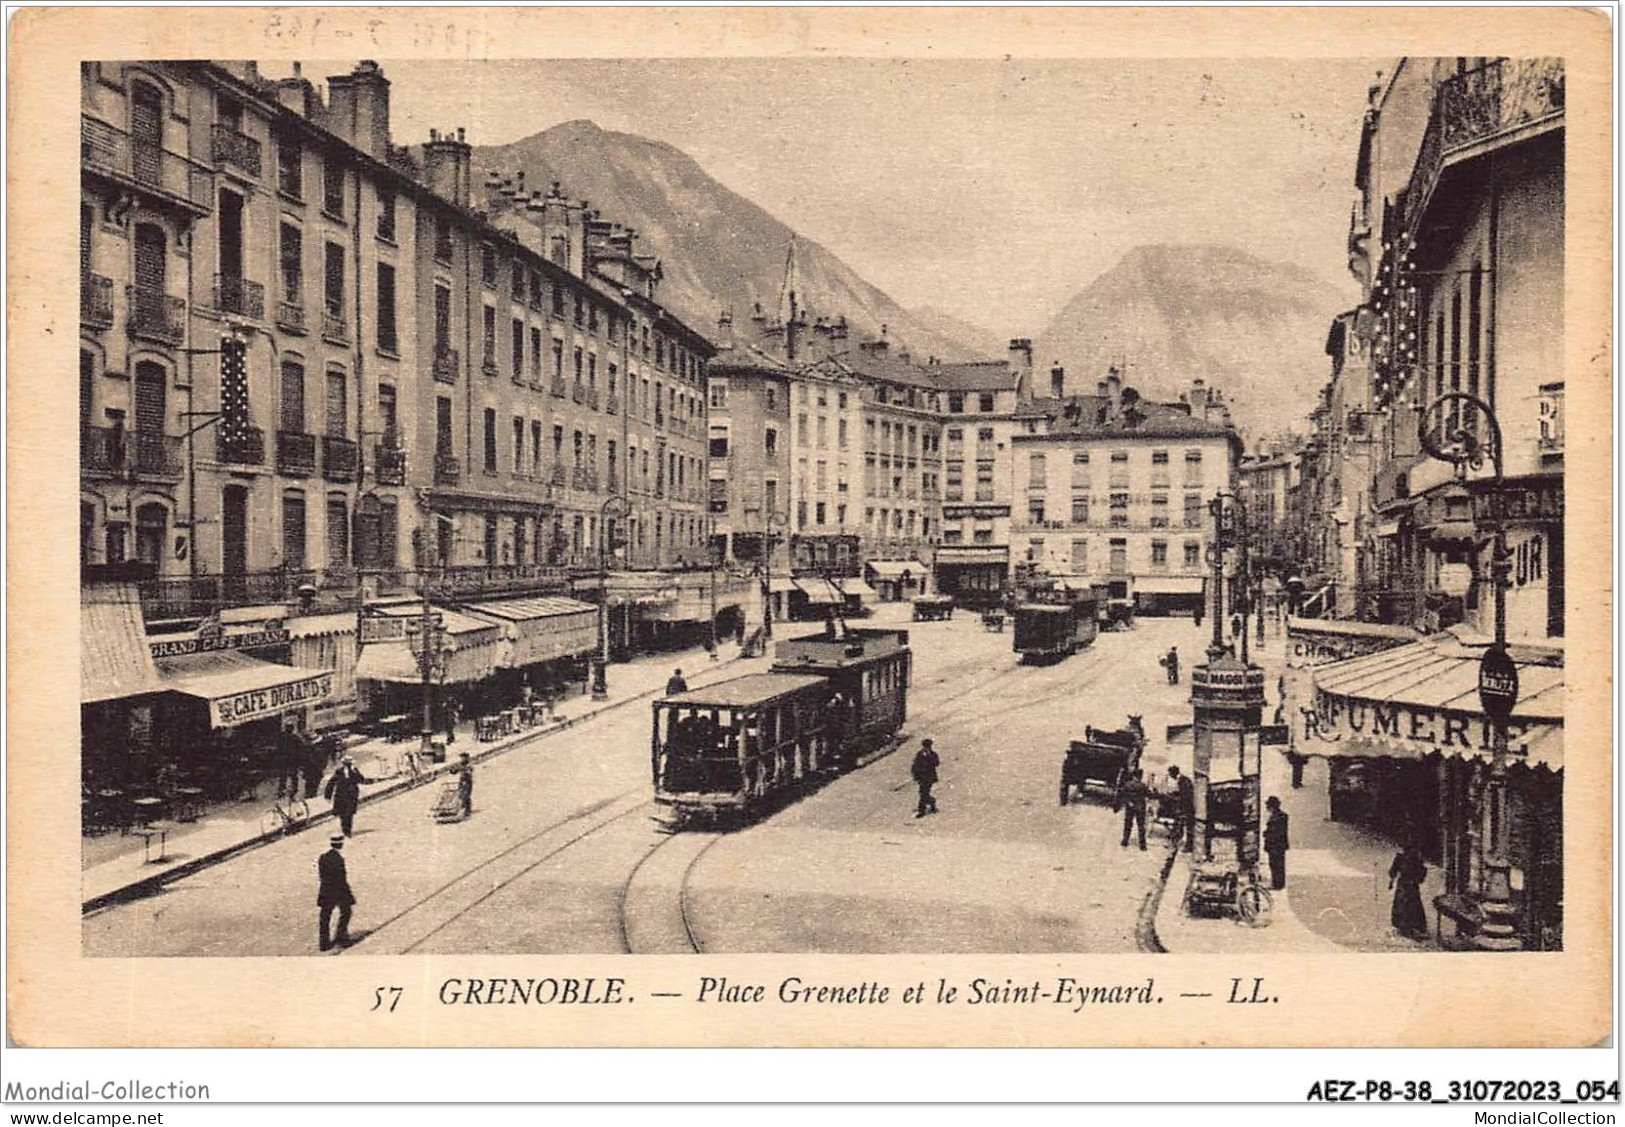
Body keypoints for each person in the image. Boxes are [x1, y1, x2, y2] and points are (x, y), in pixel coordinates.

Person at [317, 834, 355, 951]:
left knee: (325, 917)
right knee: (346, 912)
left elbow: (321, 875)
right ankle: (341, 937)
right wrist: (347, 893)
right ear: (340, 844)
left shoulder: (323, 857)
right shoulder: (339, 859)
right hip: (338, 890)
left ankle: (324, 943)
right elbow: (341, 878)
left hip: (325, 890)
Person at [1389, 844, 1430, 940]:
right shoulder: (1400, 858)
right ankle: (1402, 926)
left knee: (1412, 905)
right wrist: (1391, 881)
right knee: (1401, 903)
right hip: (1403, 884)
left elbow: (1422, 871)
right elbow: (1394, 870)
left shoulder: (1416, 858)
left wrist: (1418, 879)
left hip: (1411, 885)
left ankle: (1414, 926)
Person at [323, 756, 370, 837]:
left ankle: (348, 830)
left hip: (351, 795)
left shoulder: (354, 771)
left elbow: (361, 779)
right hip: (341, 795)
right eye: (346, 763)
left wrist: (356, 772)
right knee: (342, 814)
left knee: (349, 813)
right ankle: (344, 829)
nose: (347, 765)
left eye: (349, 763)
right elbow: (331, 783)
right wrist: (328, 795)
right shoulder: (339, 772)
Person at [1118, 768, 1150, 851]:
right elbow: (1148, 794)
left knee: (1128, 824)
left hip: (1130, 807)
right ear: (1140, 776)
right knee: (1141, 826)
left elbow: (1123, 795)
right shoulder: (1143, 785)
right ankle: (1142, 845)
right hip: (1140, 807)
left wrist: (1128, 802)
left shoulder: (1127, 784)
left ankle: (1125, 841)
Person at [1167, 764, 1195, 852]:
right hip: (1185, 807)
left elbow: (1186, 795)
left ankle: (1188, 846)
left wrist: (1174, 797)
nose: (1171, 777)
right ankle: (1175, 844)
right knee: (1179, 826)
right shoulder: (1184, 779)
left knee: (1185, 827)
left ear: (1173, 773)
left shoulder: (1183, 780)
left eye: (1171, 775)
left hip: (1186, 808)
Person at [1263, 796, 1290, 890]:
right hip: (1278, 845)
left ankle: (1277, 883)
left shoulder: (1279, 817)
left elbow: (1276, 832)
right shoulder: (1281, 816)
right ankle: (1278, 883)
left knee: (1276, 865)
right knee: (1277, 864)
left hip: (1275, 845)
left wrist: (1267, 834)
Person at [911, 739, 940, 818]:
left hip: (929, 777)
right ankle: (931, 802)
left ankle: (922, 811)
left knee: (923, 793)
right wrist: (915, 775)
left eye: (929, 746)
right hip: (921, 777)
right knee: (923, 793)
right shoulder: (919, 754)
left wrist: (929, 761)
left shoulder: (933, 754)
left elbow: (937, 763)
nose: (927, 748)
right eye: (926, 746)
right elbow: (914, 766)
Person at [454, 752, 475, 818]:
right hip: (462, 781)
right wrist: (453, 770)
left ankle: (467, 810)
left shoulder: (469, 765)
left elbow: (469, 771)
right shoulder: (460, 764)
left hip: (468, 781)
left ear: (467, 758)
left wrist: (464, 770)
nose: (462, 759)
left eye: (463, 758)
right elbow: (455, 770)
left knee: (466, 795)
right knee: (460, 794)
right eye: (461, 758)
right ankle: (463, 808)